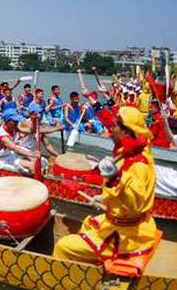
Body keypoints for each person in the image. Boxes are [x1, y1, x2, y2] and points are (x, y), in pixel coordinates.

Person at [54, 106, 158, 265]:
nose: (109, 131)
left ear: (126, 131)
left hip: (126, 235)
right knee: (87, 223)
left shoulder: (136, 164)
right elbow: (122, 194)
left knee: (62, 246)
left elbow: (136, 204)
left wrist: (115, 177)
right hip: (127, 222)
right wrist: (104, 197)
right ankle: (94, 266)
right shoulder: (136, 150)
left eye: (114, 127)